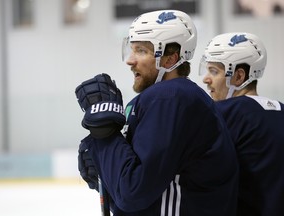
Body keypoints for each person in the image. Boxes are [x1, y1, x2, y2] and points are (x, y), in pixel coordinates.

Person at [76, 10, 239, 216]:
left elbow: (133, 192)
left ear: (170, 59)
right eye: (131, 49)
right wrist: (108, 167)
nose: (130, 60)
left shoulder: (171, 96)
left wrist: (105, 135)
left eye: (141, 51)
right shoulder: (163, 99)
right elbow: (132, 192)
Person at [200, 32, 284, 216]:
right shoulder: (281, 109)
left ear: (239, 76)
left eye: (214, 71)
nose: (206, 79)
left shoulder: (224, 112)